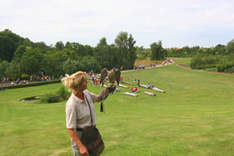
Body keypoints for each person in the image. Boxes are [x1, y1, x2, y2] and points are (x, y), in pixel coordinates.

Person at [62, 71, 113, 156]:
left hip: (91, 133)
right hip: (81, 137)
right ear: (79, 85)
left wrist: (107, 90)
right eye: (85, 81)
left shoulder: (86, 93)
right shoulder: (72, 104)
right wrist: (81, 146)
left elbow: (98, 98)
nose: (87, 82)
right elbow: (70, 129)